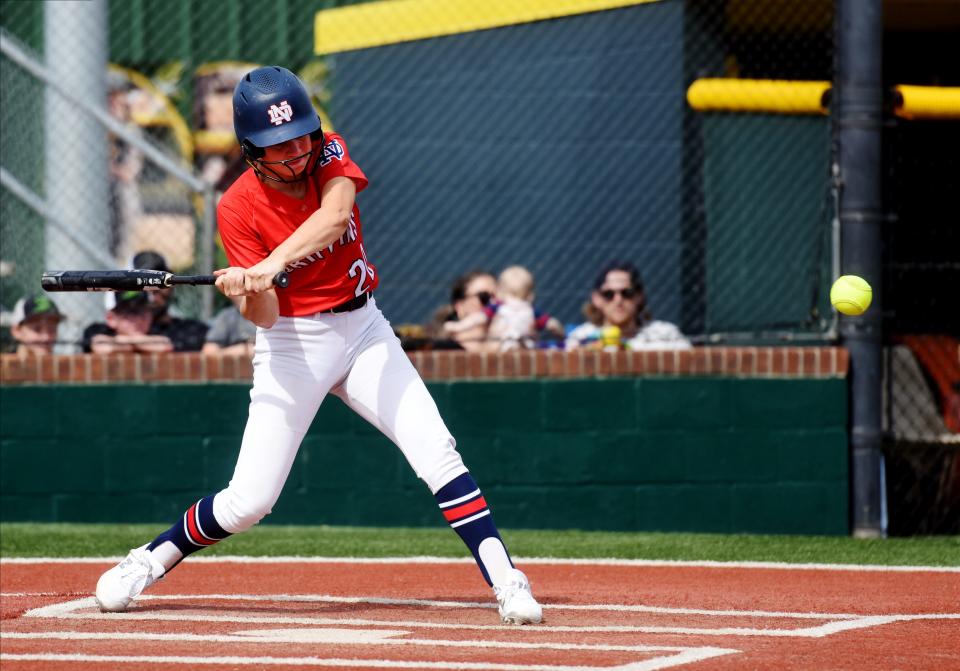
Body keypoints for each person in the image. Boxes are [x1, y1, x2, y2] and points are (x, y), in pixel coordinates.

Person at [94, 66, 541, 625]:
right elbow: (266, 314)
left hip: (365, 328)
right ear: (251, 150)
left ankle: (508, 580)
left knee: (437, 450)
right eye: (278, 147)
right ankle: (148, 560)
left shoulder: (329, 153)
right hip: (292, 343)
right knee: (248, 502)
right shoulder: (235, 207)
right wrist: (248, 287)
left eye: (300, 137)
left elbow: (333, 218)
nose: (295, 153)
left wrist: (271, 262)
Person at [566, 261, 692, 351]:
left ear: (639, 296)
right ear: (596, 299)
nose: (618, 300)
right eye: (609, 294)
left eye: (627, 293)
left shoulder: (666, 335)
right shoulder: (582, 337)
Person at [130, 250, 209, 352]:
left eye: (160, 282)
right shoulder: (112, 331)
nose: (152, 291)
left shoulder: (194, 332)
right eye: (143, 283)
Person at [82, 290, 173, 354]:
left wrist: (123, 341)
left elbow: (164, 346)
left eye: (143, 311)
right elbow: (102, 347)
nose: (139, 319)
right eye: (132, 312)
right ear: (111, 318)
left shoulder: (159, 329)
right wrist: (142, 343)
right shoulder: (97, 329)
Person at [426, 270, 497, 351]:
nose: (493, 304)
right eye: (484, 297)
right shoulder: (443, 351)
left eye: (499, 300)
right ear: (460, 306)